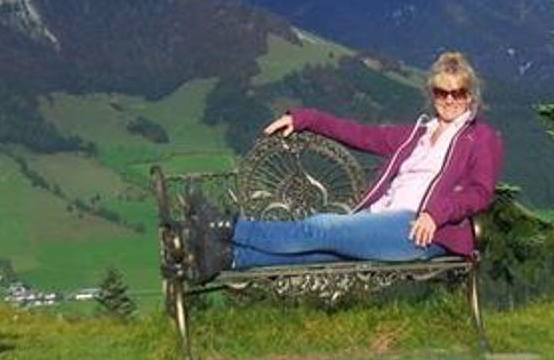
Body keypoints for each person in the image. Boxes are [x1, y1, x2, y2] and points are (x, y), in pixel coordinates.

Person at [185, 51, 504, 279]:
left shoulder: (480, 137)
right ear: (432, 94)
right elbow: (359, 134)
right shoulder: (417, 134)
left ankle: (224, 226)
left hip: (421, 232)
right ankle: (227, 258)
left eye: (458, 93)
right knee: (322, 251)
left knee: (322, 227)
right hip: (380, 219)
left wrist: (436, 214)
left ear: (470, 97)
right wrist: (306, 119)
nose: (449, 100)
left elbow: (480, 192)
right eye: (441, 92)